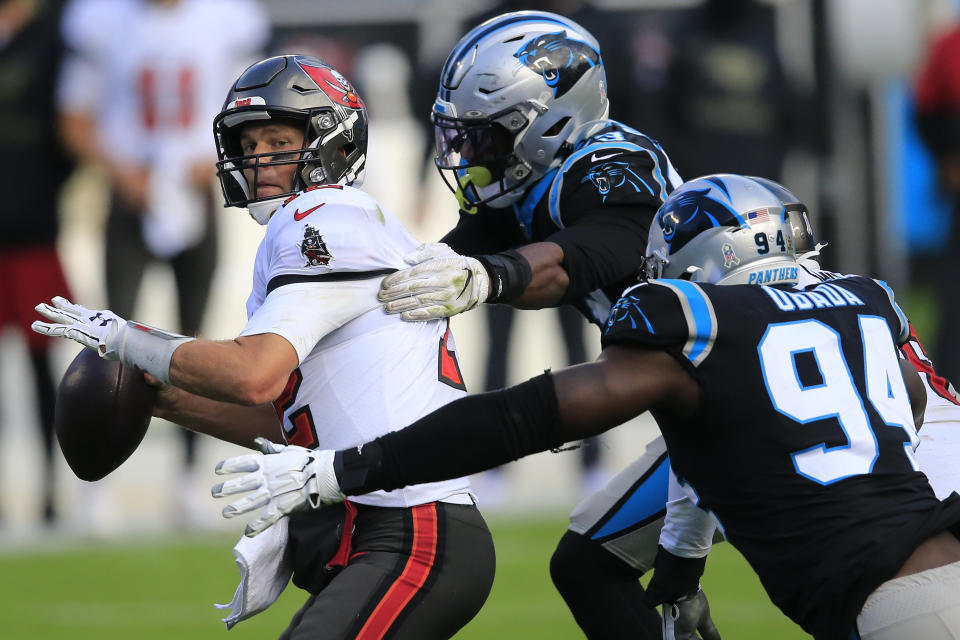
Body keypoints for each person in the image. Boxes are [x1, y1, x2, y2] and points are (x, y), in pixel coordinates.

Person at [214, 174, 960, 640]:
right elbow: (850, 420)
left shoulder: (694, 326)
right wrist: (681, 560)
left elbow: (520, 418)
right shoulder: (864, 304)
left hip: (899, 607)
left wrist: (343, 470)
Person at [34, 54, 495, 639]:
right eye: (249, 145)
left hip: (411, 532)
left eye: (279, 139)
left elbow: (253, 374)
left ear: (333, 141)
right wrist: (164, 397)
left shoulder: (321, 214)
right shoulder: (326, 223)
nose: (259, 160)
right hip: (378, 528)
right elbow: (289, 419)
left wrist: (127, 339)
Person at [374, 10, 702, 637]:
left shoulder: (613, 163)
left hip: (743, 397)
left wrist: (488, 279)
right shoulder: (533, 183)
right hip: (705, 401)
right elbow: (436, 259)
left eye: (487, 137)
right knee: (587, 565)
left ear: (549, 123)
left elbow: (582, 258)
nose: (470, 155)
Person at [55, 0, 269, 524]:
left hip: (198, 190)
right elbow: (75, 117)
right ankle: (98, 485)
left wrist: (220, 163)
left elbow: (259, 108)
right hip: (130, 193)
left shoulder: (227, 18)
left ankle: (190, 478)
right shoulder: (101, 19)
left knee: (195, 343)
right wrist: (122, 172)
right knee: (113, 342)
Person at [0, 0, 74, 525]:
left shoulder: (55, 33)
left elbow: (65, 131)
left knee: (39, 363)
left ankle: (51, 489)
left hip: (32, 228)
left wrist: (43, 192)